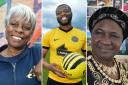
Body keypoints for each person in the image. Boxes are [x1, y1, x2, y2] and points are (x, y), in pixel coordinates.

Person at [42, 4, 86, 85]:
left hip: (76, 81)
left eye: (66, 11)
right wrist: (49, 67)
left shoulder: (82, 35)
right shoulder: (49, 34)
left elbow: (89, 58)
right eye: (59, 13)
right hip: (54, 80)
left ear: (71, 13)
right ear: (56, 16)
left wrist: (83, 68)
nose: (62, 14)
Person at [0, 4, 41, 85]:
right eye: (14, 24)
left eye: (26, 27)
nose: (19, 30)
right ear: (6, 26)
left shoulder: (38, 54)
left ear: (31, 34)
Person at [87, 7, 128, 85]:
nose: (105, 41)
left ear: (122, 41)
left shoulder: (124, 69)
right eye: (99, 33)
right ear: (92, 35)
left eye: (114, 36)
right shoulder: (83, 66)